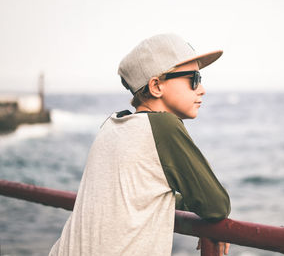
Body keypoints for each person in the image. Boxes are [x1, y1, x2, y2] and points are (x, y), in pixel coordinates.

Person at [49, 33, 231, 256]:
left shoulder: (112, 124)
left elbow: (136, 195)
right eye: (193, 79)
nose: (202, 89)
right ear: (156, 86)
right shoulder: (164, 126)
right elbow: (216, 205)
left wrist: (176, 201)